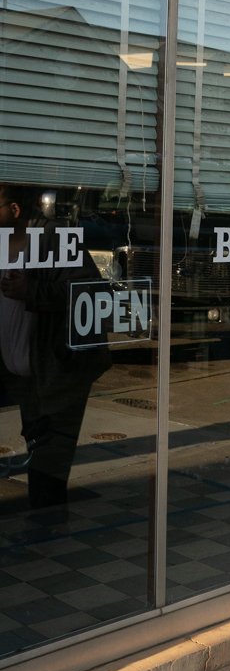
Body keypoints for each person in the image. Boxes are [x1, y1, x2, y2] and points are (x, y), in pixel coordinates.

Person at [0, 182, 109, 510]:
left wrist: (32, 290)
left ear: (15, 210)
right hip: (22, 377)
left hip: (59, 375)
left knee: (47, 474)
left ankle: (50, 548)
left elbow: (90, 294)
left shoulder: (55, 238)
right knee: (38, 462)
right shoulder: (2, 242)